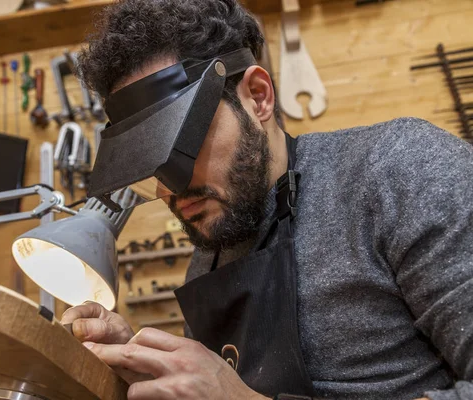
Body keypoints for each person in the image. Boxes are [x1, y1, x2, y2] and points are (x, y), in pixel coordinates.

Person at [61, 1, 473, 399]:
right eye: (151, 164)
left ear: (257, 96)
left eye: (181, 147)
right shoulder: (209, 257)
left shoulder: (397, 170)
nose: (167, 189)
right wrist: (142, 368)